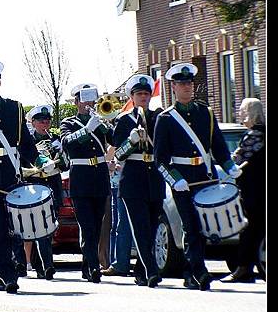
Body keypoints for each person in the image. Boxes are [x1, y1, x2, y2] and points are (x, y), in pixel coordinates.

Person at [154, 62, 242, 291]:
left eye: (189, 83)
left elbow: (219, 147)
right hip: (183, 179)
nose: (187, 87)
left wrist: (229, 165)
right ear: (173, 87)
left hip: (206, 175)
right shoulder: (166, 119)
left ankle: (192, 270)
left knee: (204, 226)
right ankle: (198, 271)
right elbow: (160, 159)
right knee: (190, 226)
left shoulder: (206, 113)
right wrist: (175, 179)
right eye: (182, 84)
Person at [0, 61, 55, 292]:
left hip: (11, 173)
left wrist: (41, 162)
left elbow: (26, 145)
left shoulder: (14, 108)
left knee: (14, 227)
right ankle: (7, 276)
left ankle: (4, 271)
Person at [104, 74, 165, 287]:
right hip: (133, 179)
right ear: (132, 96)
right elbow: (118, 153)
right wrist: (131, 141)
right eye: (139, 94)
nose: (143, 97)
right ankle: (151, 270)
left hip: (154, 178)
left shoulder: (159, 119)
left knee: (152, 226)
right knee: (139, 227)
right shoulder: (124, 120)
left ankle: (142, 268)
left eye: (146, 94)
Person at [60, 83, 113, 283]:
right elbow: (67, 143)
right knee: (87, 226)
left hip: (99, 177)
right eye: (84, 99)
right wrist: (87, 129)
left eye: (92, 99)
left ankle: (86, 263)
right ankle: (93, 267)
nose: (89, 103)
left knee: (97, 225)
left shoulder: (99, 120)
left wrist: (107, 123)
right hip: (80, 179)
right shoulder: (69, 123)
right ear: (76, 102)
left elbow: (114, 138)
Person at [17, 104, 67, 280]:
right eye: (40, 121)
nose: (44, 124)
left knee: (48, 227)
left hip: (52, 186)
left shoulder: (55, 139)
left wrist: (60, 152)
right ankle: (44, 265)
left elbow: (65, 164)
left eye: (47, 120)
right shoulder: (27, 141)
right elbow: (21, 163)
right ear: (33, 122)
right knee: (35, 227)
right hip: (34, 185)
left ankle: (43, 265)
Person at [221, 98, 266, 283]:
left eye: (241, 110)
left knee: (249, 229)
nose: (239, 113)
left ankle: (244, 268)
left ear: (249, 112)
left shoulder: (254, 135)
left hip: (253, 191)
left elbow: (237, 160)